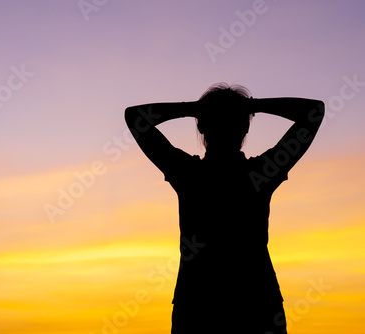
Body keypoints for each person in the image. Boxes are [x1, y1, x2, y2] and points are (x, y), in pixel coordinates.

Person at [124, 83, 324, 333]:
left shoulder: (188, 174)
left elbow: (134, 117)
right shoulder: (262, 172)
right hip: (256, 302)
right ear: (245, 127)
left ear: (201, 125)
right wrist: (253, 106)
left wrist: (193, 109)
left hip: (198, 304)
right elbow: (313, 111)